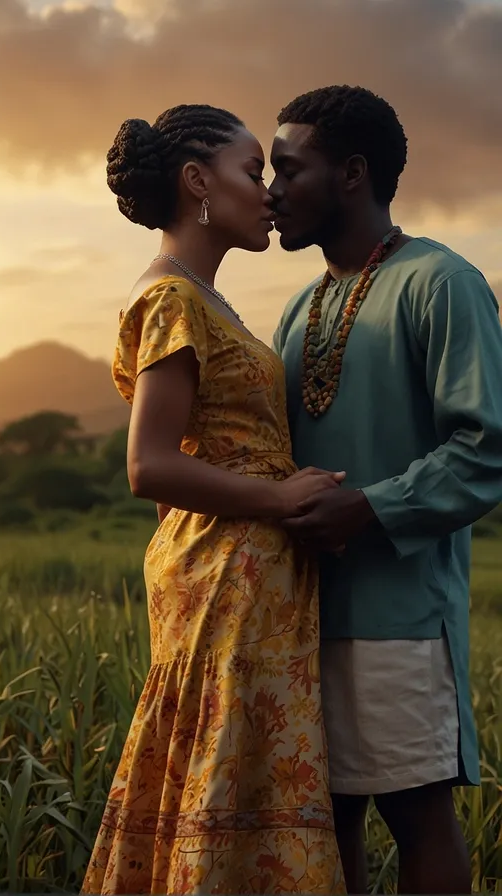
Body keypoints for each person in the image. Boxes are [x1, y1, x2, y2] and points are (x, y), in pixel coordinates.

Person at [82, 104, 345, 896]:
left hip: (241, 581)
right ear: (198, 182)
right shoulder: (172, 300)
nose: (266, 193)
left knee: (242, 784)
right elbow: (150, 466)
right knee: (223, 780)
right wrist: (275, 499)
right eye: (252, 171)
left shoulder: (208, 301)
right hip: (227, 585)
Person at [269, 84, 502, 895]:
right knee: (322, 822)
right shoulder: (300, 307)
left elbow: (485, 451)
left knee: (416, 817)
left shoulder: (442, 281)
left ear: (353, 174)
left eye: (287, 171)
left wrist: (367, 507)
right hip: (300, 617)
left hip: (400, 618)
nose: (270, 191)